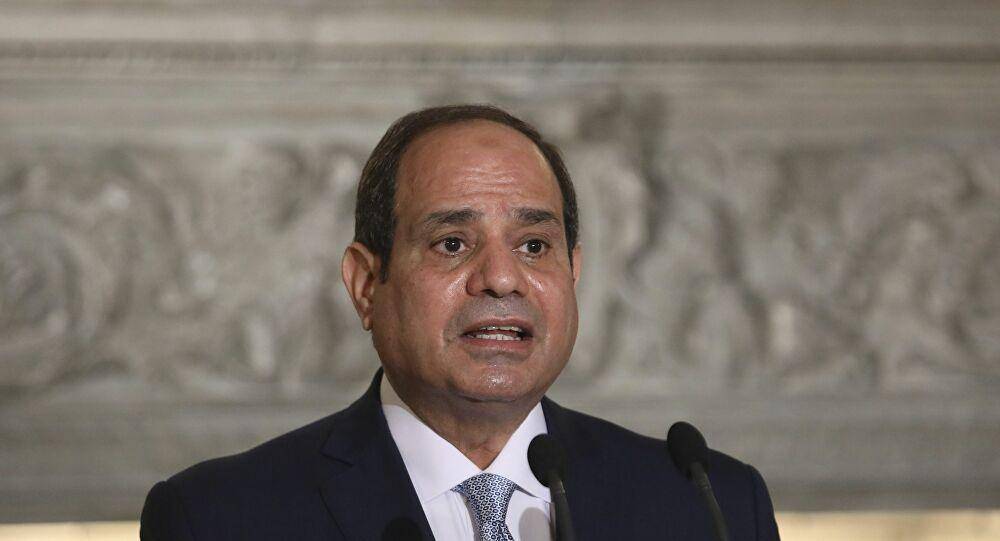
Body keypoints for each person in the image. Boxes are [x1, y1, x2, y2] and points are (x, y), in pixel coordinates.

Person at [140, 104, 780, 540]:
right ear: (366, 285)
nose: (501, 278)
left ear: (573, 273)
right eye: (452, 244)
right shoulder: (218, 518)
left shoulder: (711, 507)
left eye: (534, 246)